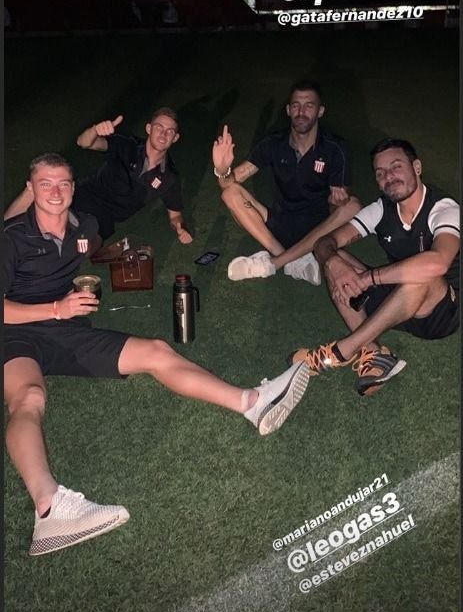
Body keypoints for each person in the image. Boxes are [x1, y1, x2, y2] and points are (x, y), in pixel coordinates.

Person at [4, 153, 311, 555]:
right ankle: (49, 511)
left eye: (63, 183)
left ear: (74, 188)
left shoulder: (86, 226)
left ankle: (253, 403)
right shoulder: (11, 237)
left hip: (64, 329)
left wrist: (130, 256)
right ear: (30, 189)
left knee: (156, 351)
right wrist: (56, 308)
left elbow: (97, 251)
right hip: (14, 332)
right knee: (29, 398)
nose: (56, 192)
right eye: (45, 184)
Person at [289, 139, 460, 396]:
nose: (388, 177)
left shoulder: (443, 208)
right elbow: (325, 243)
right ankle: (374, 354)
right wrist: (333, 262)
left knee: (424, 274)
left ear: (416, 167)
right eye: (380, 173)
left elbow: (438, 262)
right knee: (336, 260)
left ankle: (341, 351)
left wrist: (370, 278)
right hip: (397, 303)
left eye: (396, 167)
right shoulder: (381, 209)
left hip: (440, 311)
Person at [212, 80, 361, 283]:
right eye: (296, 105)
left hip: (318, 230)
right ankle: (292, 261)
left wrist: (338, 200)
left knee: (352, 205)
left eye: (309, 106)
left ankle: (276, 262)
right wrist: (222, 170)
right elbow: (227, 183)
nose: (301, 112)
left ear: (320, 111)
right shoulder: (274, 142)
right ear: (288, 110)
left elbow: (338, 205)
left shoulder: (335, 148)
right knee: (229, 193)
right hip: (279, 222)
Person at [5, 107, 193, 244]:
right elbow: (84, 142)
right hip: (85, 193)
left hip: (104, 217)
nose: (163, 134)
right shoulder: (127, 144)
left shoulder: (169, 177)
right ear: (149, 129)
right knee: (36, 190)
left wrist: (179, 227)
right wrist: (95, 130)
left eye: (170, 131)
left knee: (82, 243)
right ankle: (4, 233)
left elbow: (175, 215)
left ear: (175, 138)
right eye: (159, 127)